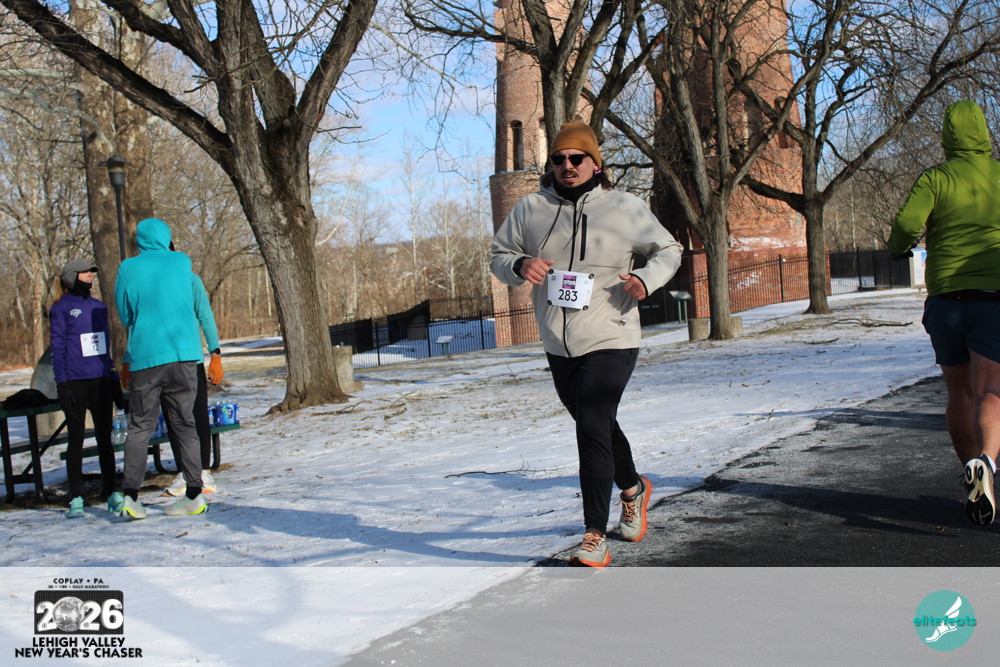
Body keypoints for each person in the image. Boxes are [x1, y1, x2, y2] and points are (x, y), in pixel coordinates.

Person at [490, 120, 683, 566]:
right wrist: (519, 265)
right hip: (559, 343)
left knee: (591, 425)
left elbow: (669, 249)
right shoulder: (531, 208)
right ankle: (633, 488)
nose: (567, 165)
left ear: (595, 164)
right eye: (559, 158)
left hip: (612, 332)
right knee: (597, 425)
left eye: (577, 158)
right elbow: (499, 255)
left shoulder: (623, 207)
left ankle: (594, 534)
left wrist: (645, 279)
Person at [888, 100, 1000, 526]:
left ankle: (970, 467)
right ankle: (987, 462)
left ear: (948, 135)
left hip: (947, 299)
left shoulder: (936, 178)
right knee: (990, 389)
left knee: (959, 392)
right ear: (984, 132)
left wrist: (899, 248)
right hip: (993, 298)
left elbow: (906, 226)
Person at [108, 217, 216, 519]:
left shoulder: (128, 268)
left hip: (147, 358)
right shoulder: (182, 262)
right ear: (166, 237)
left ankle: (131, 497)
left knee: (140, 427)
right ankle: (194, 493)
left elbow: (125, 315)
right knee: (185, 424)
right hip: (184, 355)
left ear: (139, 240)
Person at [49, 259, 121, 518]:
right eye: (86, 271)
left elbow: (104, 345)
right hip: (75, 382)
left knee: (105, 438)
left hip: (100, 380)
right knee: (76, 440)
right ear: (72, 276)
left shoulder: (99, 307)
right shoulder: (61, 309)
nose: (91, 274)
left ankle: (111, 491)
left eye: (92, 271)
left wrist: (113, 376)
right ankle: (76, 497)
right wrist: (62, 383)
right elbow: (57, 347)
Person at [161, 246, 223, 498]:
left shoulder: (191, 280)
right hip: (162, 360)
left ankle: (204, 471)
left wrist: (215, 353)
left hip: (191, 358)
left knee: (198, 415)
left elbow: (205, 316)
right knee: (173, 419)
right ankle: (184, 472)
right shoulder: (150, 284)